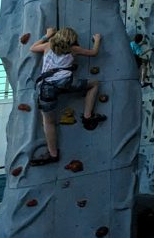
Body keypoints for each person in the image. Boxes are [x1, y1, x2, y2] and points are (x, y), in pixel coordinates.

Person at [27, 26, 105, 166]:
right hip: (66, 82)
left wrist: (47, 35)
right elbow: (94, 53)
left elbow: (32, 48)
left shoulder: (48, 46)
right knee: (94, 84)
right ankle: (87, 116)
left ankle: (53, 154)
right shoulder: (73, 49)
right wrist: (97, 40)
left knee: (48, 122)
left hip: (47, 87)